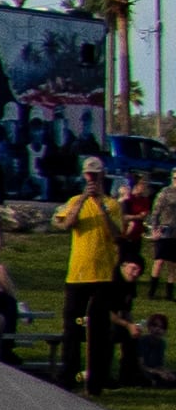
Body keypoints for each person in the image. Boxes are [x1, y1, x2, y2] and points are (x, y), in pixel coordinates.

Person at [63, 161, 126, 394]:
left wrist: (101, 205)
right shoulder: (74, 202)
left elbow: (117, 235)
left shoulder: (113, 205)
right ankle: (69, 376)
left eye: (96, 177)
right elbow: (68, 224)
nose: (92, 181)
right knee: (71, 326)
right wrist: (82, 200)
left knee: (99, 328)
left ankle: (97, 380)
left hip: (102, 274)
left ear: (102, 178)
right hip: (77, 273)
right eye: (88, 177)